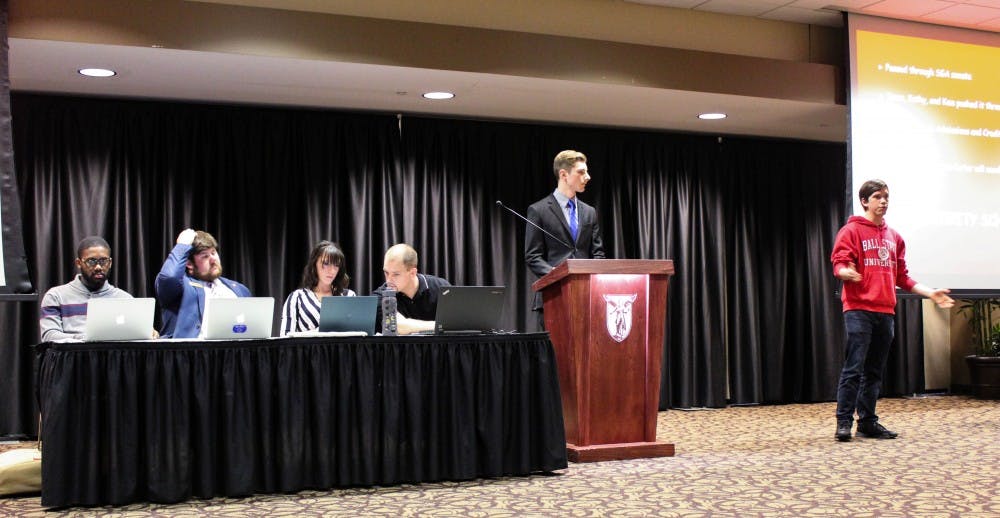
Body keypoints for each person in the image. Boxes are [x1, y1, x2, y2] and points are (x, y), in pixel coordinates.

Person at [830, 179, 953, 442]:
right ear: (865, 201)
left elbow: (902, 277)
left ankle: (867, 422)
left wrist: (930, 292)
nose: (884, 201)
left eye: (886, 196)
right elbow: (839, 263)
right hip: (859, 309)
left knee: (874, 371)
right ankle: (843, 422)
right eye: (877, 197)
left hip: (885, 311)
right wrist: (845, 272)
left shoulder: (894, 237)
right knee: (854, 368)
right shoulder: (851, 231)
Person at [524, 149, 606, 328]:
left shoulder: (589, 212)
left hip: (587, 298)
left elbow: (598, 254)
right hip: (553, 297)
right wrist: (557, 276)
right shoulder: (539, 210)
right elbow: (533, 256)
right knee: (553, 355)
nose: (588, 176)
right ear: (563, 174)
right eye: (581, 172)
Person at [155, 228, 251, 338]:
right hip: (191, 352)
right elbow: (169, 277)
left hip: (232, 352)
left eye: (213, 253)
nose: (213, 259)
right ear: (189, 264)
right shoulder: (182, 287)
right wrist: (182, 246)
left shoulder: (239, 289)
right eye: (205, 256)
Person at [39, 236, 134, 341]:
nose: (98, 267)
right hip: (71, 356)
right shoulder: (56, 296)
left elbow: (134, 335)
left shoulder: (125, 299)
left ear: (110, 263)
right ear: (79, 263)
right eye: (91, 261)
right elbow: (49, 336)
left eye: (103, 261)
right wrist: (86, 339)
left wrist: (150, 333)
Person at [280, 240, 356, 335]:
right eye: (326, 263)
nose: (332, 271)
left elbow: (356, 336)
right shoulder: (297, 298)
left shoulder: (349, 296)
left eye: (336, 265)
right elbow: (285, 337)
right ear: (314, 264)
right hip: (307, 349)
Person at [373, 243, 450, 335]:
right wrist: (441, 325)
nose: (388, 280)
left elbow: (457, 322)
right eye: (386, 272)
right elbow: (396, 326)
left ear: (412, 273)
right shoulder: (381, 295)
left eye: (396, 274)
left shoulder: (441, 288)